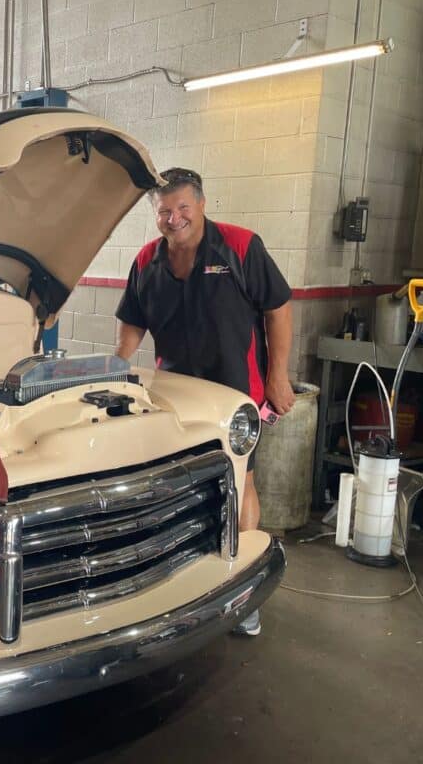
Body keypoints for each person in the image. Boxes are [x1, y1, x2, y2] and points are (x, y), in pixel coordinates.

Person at [114, 167, 294, 636]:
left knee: (239, 482)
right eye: (164, 212)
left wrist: (277, 376)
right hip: (175, 397)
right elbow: (133, 318)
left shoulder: (239, 246)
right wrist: (118, 364)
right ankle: (182, 579)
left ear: (202, 204)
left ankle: (242, 591)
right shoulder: (146, 261)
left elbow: (278, 308)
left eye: (182, 209)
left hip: (236, 395)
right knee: (179, 487)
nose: (174, 219)